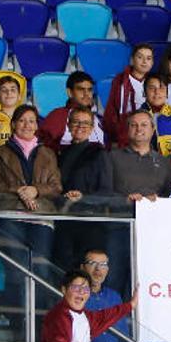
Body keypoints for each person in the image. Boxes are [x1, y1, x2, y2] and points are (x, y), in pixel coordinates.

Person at [0, 104, 60, 327]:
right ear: (13, 124)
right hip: (11, 216)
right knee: (16, 268)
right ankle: (18, 321)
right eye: (22, 120)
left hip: (41, 218)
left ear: (37, 126)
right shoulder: (0, 151)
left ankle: (38, 323)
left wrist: (36, 190)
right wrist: (20, 191)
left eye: (32, 121)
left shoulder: (47, 153)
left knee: (41, 270)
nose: (27, 125)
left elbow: (56, 187)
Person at [106, 109, 171, 293]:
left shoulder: (165, 163)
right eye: (134, 125)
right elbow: (103, 192)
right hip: (119, 227)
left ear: (153, 130)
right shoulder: (112, 157)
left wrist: (158, 201)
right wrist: (125, 199)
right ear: (127, 129)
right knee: (113, 278)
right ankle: (114, 322)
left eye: (144, 125)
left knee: (147, 280)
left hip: (152, 230)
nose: (139, 129)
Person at [53, 106, 113, 273]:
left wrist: (83, 197)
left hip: (90, 223)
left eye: (86, 123)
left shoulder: (99, 153)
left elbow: (106, 191)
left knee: (88, 273)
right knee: (63, 271)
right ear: (69, 125)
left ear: (93, 128)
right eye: (76, 122)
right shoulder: (60, 153)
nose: (80, 126)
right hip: (64, 221)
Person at [32, 270, 135, 342]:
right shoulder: (60, 316)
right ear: (64, 290)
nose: (81, 292)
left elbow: (105, 316)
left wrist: (131, 305)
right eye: (76, 288)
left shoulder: (84, 317)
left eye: (86, 289)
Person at [80, 250, 133, 342]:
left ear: (107, 270)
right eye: (92, 263)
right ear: (83, 268)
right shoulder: (75, 297)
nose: (98, 269)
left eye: (103, 264)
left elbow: (123, 336)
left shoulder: (114, 297)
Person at [39, 71, 105, 153]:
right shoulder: (58, 116)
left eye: (89, 90)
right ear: (70, 92)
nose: (86, 94)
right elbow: (44, 147)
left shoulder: (99, 119)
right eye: (81, 90)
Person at [103, 43, 154, 147]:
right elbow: (112, 111)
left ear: (152, 63)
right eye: (140, 57)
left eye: (148, 58)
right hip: (123, 135)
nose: (144, 62)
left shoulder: (155, 82)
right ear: (132, 60)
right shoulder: (120, 81)